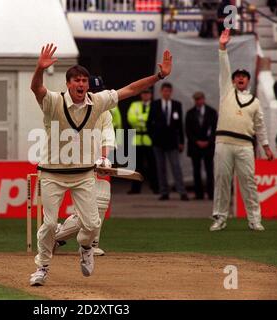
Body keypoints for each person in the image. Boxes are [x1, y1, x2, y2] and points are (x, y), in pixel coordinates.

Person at [29, 43, 172, 286]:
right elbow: (37, 88)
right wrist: (39, 69)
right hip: (52, 173)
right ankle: (42, 267)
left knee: (93, 224)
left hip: (83, 174)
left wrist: (159, 76)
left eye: (84, 80)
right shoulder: (54, 102)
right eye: (77, 80)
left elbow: (130, 89)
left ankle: (85, 246)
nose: (82, 84)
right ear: (68, 84)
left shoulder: (98, 102)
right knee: (50, 224)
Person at [210, 29, 274, 232]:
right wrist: (222, 47)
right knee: (221, 180)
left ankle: (255, 219)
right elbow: (224, 69)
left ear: (248, 81)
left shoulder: (255, 102)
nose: (240, 78)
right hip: (223, 143)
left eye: (243, 77)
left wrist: (266, 147)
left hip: (245, 144)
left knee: (248, 182)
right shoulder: (226, 92)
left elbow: (260, 127)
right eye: (237, 76)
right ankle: (220, 217)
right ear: (233, 80)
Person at [54, 75, 115, 257]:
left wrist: (104, 158)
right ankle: (56, 235)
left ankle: (90, 243)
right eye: (93, 91)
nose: (97, 94)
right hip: (74, 165)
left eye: (99, 91)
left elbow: (107, 135)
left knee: (102, 195)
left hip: (94, 163)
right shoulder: (73, 108)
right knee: (88, 210)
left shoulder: (105, 112)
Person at [147, 82, 189, 201]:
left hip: (172, 141)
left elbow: (180, 125)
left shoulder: (176, 105)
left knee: (176, 166)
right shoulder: (155, 104)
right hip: (158, 141)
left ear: (171, 92)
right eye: (164, 91)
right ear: (161, 92)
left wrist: (181, 141)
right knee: (161, 168)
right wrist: (153, 137)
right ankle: (164, 191)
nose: (166, 93)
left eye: (168, 91)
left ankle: (182, 191)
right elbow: (149, 123)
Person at [185, 92, 218, 200]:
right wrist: (197, 141)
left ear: (203, 99)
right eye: (196, 100)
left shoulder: (212, 112)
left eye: (200, 99)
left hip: (208, 146)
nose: (198, 101)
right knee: (196, 171)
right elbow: (188, 131)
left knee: (209, 170)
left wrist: (209, 141)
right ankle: (199, 193)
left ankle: (211, 193)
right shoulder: (190, 113)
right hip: (195, 146)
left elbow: (215, 129)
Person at [127, 88, 159, 194]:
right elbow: (131, 119)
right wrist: (144, 120)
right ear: (141, 95)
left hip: (149, 139)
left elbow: (154, 120)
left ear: (150, 95)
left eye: (147, 93)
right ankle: (135, 188)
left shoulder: (154, 106)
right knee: (136, 166)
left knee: (153, 165)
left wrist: (139, 119)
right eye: (144, 93)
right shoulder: (135, 105)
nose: (145, 95)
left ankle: (155, 187)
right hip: (137, 139)